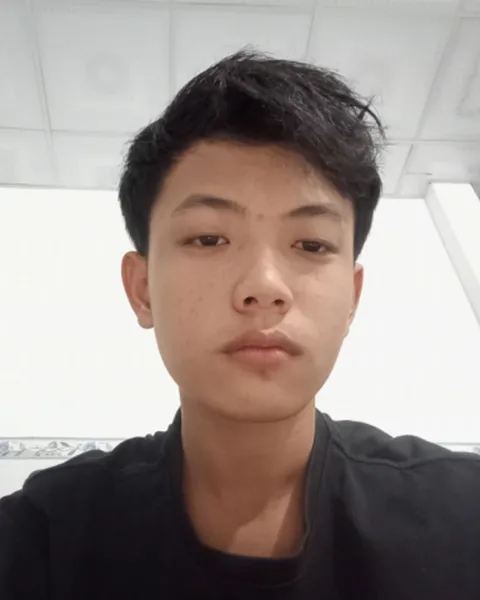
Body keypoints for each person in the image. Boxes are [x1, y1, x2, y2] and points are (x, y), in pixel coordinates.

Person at [1, 49, 479, 600]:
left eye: (311, 244)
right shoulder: (43, 537)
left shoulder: (462, 517)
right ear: (142, 288)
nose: (265, 286)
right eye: (209, 238)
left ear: (352, 297)